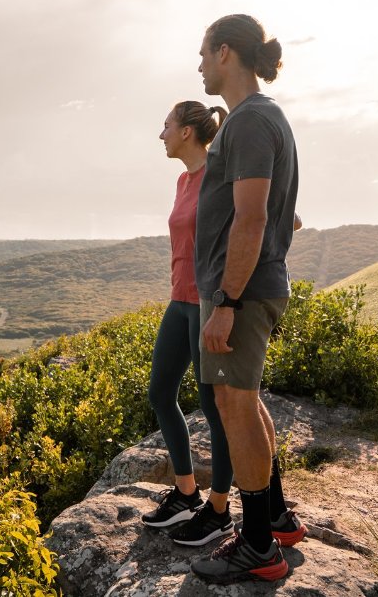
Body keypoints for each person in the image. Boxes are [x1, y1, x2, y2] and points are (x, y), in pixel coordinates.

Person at [188, 14, 305, 584]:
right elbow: (270, 209)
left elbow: (253, 214)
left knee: (234, 406)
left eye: (204, 53)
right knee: (245, 400)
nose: (200, 64)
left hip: (242, 291)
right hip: (247, 286)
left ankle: (257, 544)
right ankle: (275, 517)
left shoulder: (251, 121)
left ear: (226, 53)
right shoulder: (257, 120)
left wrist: (228, 299)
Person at [141, 100, 237, 547]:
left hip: (207, 303)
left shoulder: (220, 174)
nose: (160, 135)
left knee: (212, 405)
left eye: (165, 127)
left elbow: (271, 214)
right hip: (179, 301)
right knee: (161, 392)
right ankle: (186, 493)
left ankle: (220, 509)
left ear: (185, 133)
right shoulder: (183, 180)